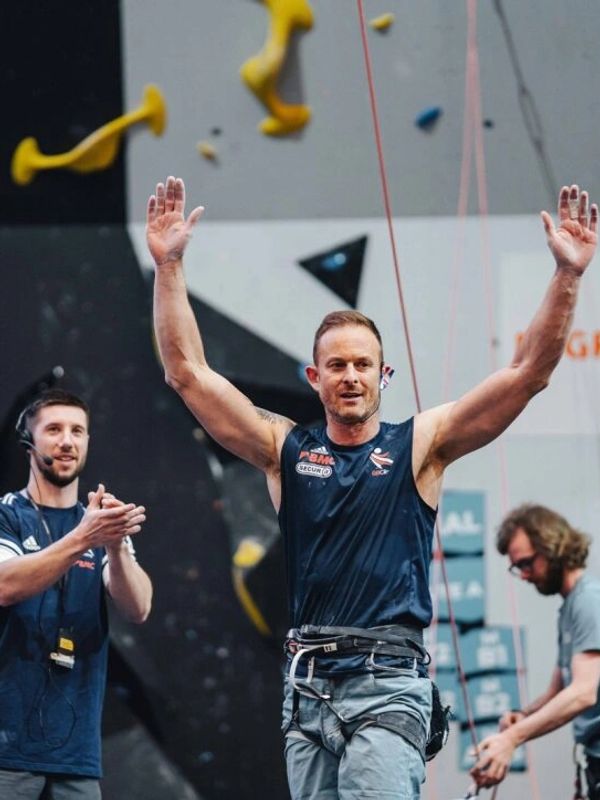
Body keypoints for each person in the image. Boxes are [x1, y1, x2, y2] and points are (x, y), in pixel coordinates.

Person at [147, 174, 597, 799]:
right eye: (337, 365)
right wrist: (169, 267)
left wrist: (567, 276)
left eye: (362, 364)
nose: (351, 376)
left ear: (383, 373)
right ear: (315, 377)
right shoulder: (286, 449)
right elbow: (188, 375)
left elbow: (527, 374)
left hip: (387, 683)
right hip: (306, 688)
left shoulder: (420, 445)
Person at [0, 389, 153, 800]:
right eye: (54, 429)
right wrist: (85, 537)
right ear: (28, 443)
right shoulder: (7, 514)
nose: (67, 440)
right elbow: (5, 585)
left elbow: (137, 607)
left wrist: (117, 546)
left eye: (77, 431)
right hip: (6, 752)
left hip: (76, 755)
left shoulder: (100, 526)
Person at [471, 505, 600, 798]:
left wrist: (513, 739)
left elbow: (583, 692)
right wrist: (522, 716)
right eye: (518, 568)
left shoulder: (589, 602)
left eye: (527, 563)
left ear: (553, 547)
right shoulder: (569, 607)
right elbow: (558, 690)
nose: (525, 576)